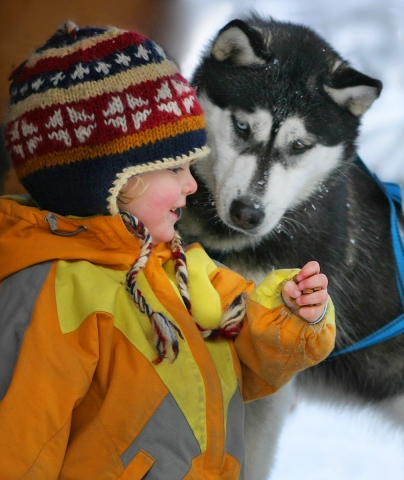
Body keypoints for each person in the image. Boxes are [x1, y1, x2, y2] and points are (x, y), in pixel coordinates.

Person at [0, 21, 335, 479]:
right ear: (106, 179)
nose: (192, 184)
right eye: (174, 167)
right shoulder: (53, 292)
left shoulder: (180, 268)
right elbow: (20, 446)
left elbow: (248, 366)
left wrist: (292, 318)